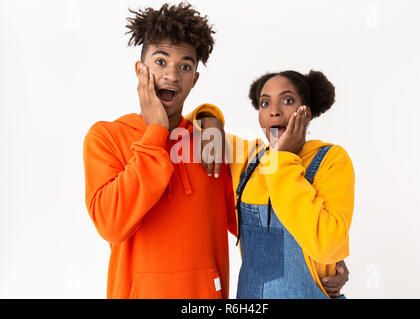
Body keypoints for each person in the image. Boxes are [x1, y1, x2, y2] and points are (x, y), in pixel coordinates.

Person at [82, 3, 237, 299]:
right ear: (140, 70)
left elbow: (253, 221)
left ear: (195, 79)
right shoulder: (106, 137)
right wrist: (156, 134)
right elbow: (111, 224)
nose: (172, 75)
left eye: (185, 66)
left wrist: (323, 264)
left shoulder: (211, 142)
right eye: (161, 61)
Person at [190, 70, 354, 298]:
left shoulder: (331, 160)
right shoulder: (248, 159)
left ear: (306, 112)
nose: (274, 111)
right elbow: (188, 130)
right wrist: (211, 119)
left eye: (287, 101)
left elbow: (327, 244)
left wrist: (283, 159)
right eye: (265, 103)